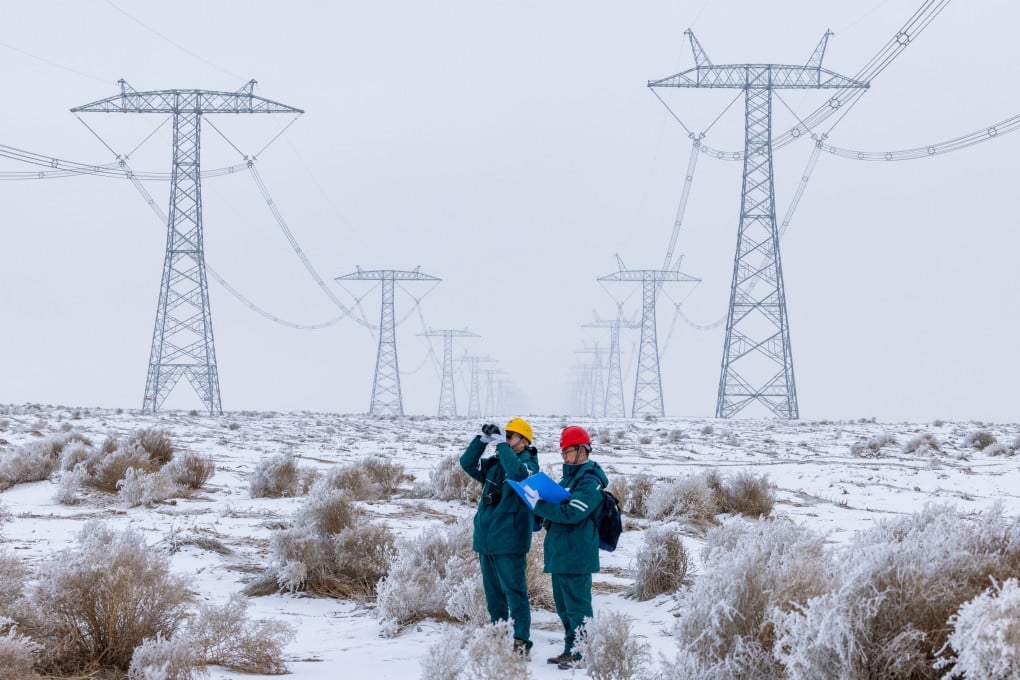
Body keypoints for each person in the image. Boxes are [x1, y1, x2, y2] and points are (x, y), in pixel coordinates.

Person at [460, 417, 540, 657]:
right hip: (487, 539)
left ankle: (521, 640)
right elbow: (466, 464)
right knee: (493, 594)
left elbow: (517, 474)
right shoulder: (495, 464)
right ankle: (498, 632)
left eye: (511, 437)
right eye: (505, 436)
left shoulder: (529, 465)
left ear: (524, 441)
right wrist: (482, 441)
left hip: (510, 541)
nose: (505, 440)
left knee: (514, 592)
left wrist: (501, 447)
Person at [531, 425, 608, 670]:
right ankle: (570, 649)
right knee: (564, 608)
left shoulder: (590, 482)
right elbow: (559, 510)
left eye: (569, 451)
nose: (564, 456)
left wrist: (540, 506)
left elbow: (572, 512)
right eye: (562, 452)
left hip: (577, 555)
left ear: (583, 450)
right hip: (560, 554)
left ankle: (582, 653)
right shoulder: (568, 478)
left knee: (578, 608)